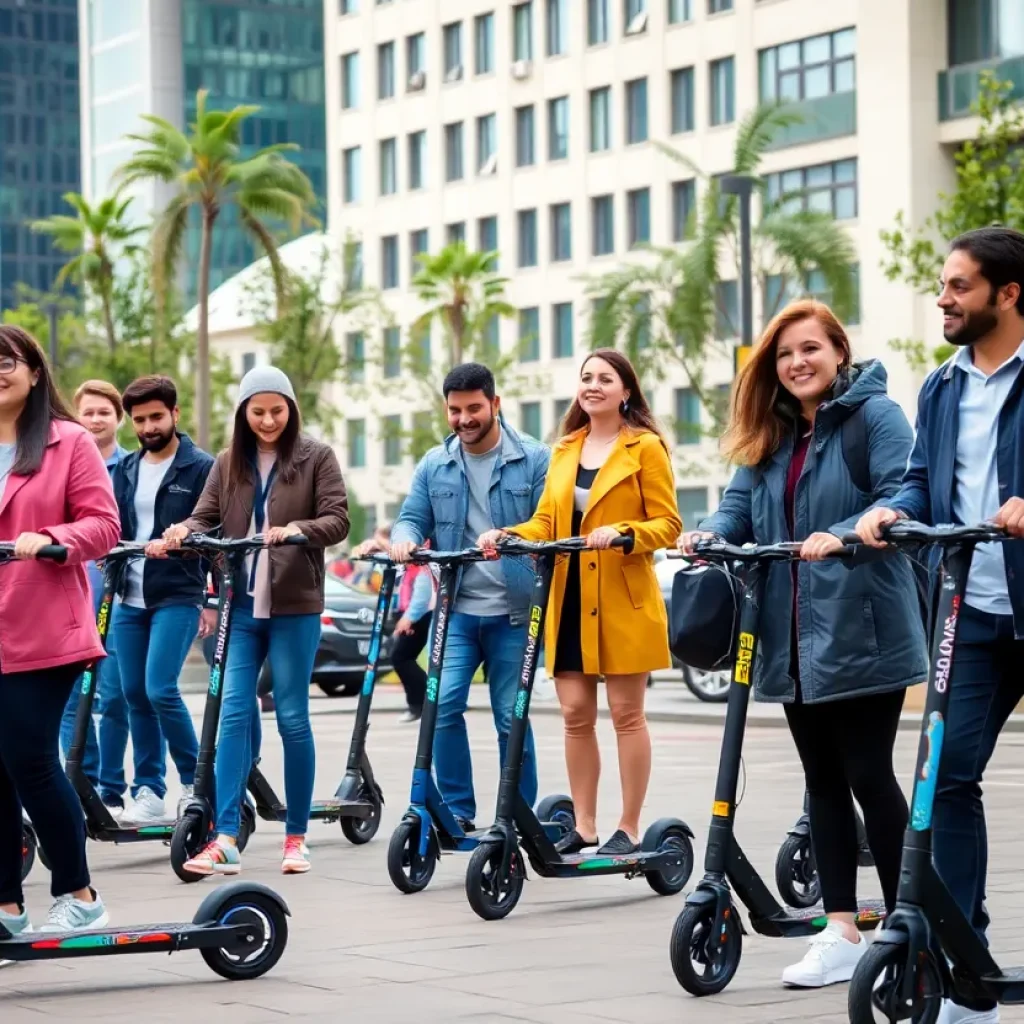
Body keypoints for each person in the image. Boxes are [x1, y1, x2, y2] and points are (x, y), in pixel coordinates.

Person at [679, 300, 927, 989]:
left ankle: (909, 916)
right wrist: (708, 534)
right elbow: (737, 505)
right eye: (785, 354)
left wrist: (846, 532)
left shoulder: (876, 417)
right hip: (789, 630)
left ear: (839, 352)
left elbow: (899, 494)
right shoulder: (773, 433)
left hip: (863, 625)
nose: (797, 363)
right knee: (821, 781)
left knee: (870, 775)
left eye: (811, 349)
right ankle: (841, 929)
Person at [856, 228, 1024, 1024]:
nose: (943, 300)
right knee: (947, 775)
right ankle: (969, 972)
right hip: (977, 611)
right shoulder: (943, 386)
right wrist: (892, 509)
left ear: (1008, 293)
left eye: (958, 286)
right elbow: (926, 482)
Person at [479, 349, 681, 856]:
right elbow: (547, 522)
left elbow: (668, 525)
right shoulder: (566, 448)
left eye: (605, 378)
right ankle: (585, 824)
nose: (593, 385)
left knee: (627, 714)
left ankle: (629, 827)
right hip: (569, 597)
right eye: (586, 377)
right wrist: (510, 534)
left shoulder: (646, 448)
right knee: (573, 714)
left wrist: (624, 532)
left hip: (622, 597)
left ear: (625, 391)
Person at [164, 366, 349, 876]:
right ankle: (225, 838)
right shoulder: (227, 464)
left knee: (291, 717)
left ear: (290, 409)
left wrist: (296, 529)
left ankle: (296, 838)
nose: (268, 420)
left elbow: (338, 519)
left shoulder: (316, 457)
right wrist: (182, 529)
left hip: (295, 605)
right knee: (234, 716)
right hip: (240, 607)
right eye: (258, 411)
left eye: (277, 409)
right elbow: (205, 516)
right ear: (244, 413)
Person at [388, 363, 549, 831]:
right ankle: (458, 808)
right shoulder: (434, 464)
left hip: (516, 613)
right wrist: (405, 538)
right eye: (456, 410)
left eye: (474, 408)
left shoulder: (535, 459)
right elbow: (411, 517)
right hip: (456, 611)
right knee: (442, 707)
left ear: (495, 404)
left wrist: (511, 535)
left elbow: (548, 523)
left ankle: (516, 817)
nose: (465, 419)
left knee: (508, 716)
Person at [0, 325, 120, 933]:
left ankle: (79, 891)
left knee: (28, 758)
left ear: (35, 372)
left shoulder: (67, 441)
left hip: (46, 629)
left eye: (7, 361)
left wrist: (49, 540)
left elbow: (103, 524)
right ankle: (6, 907)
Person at [108, 376, 215, 824]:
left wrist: (209, 597)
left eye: (156, 416)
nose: (149, 426)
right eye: (139, 420)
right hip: (129, 596)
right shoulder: (126, 468)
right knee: (133, 693)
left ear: (174, 413)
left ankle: (195, 783)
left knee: (160, 689)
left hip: (178, 592)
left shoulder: (202, 467)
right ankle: (148, 789)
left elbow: (215, 531)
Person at [59, 381, 132, 817]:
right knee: (70, 699)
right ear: (78, 417)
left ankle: (111, 788)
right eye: (88, 412)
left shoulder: (132, 466)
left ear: (117, 418)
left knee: (117, 695)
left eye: (105, 411)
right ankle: (78, 784)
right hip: (73, 598)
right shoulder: (65, 464)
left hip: (122, 598)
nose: (96, 419)